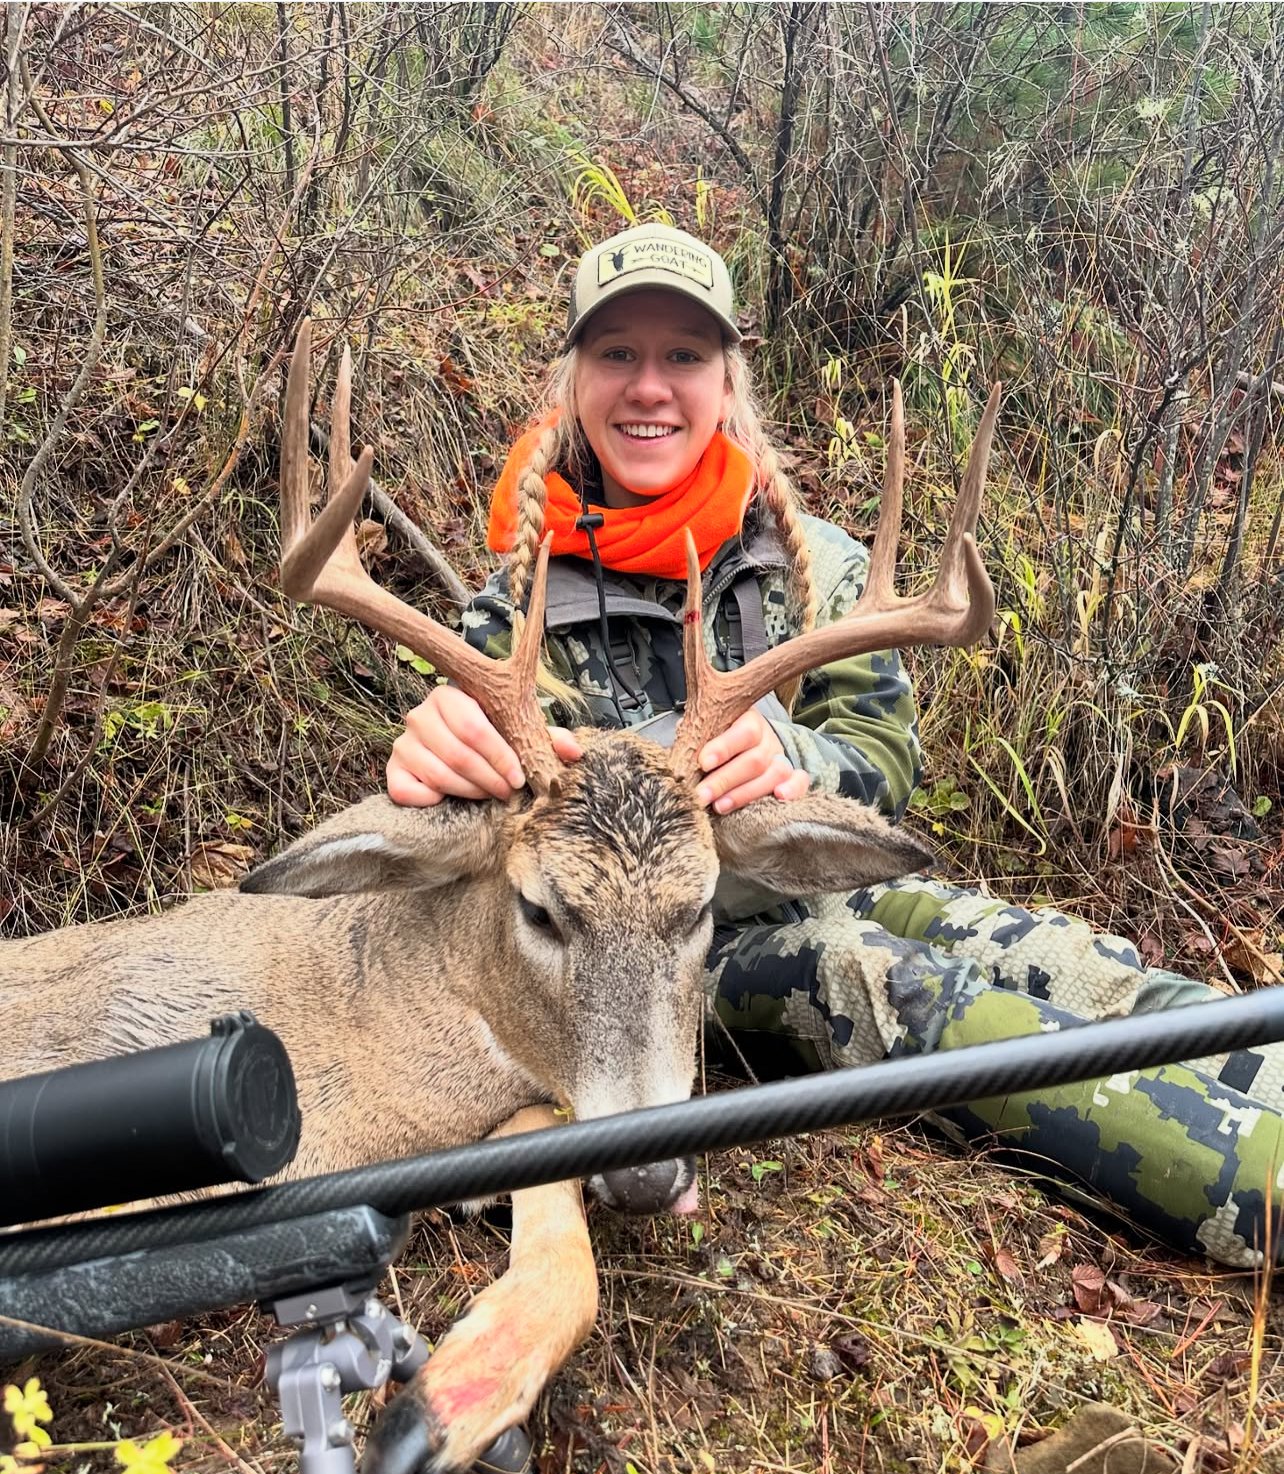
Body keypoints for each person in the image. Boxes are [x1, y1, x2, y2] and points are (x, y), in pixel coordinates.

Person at [387, 222, 1284, 1270]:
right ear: (574, 379)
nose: (649, 387)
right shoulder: (516, 611)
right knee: (874, 980)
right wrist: (435, 764)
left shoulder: (815, 566)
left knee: (1056, 958)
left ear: (727, 379)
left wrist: (803, 765)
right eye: (616, 354)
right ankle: (1255, 1179)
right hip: (660, 952)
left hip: (812, 864)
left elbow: (882, 758)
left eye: (683, 355)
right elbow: (492, 829)